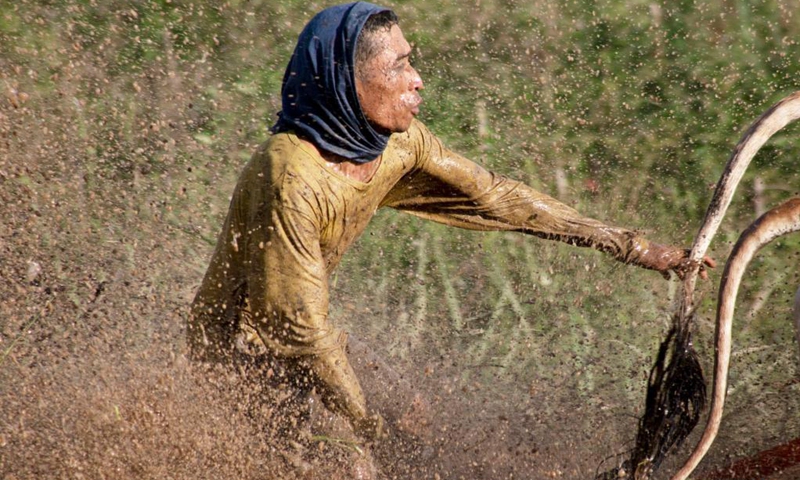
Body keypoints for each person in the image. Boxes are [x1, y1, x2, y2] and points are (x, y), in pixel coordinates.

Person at [188, 1, 714, 444]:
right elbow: (302, 334)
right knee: (333, 456)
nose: (416, 81)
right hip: (239, 359)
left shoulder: (394, 143)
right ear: (349, 82)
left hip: (310, 342)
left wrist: (629, 245)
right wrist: (371, 429)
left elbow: (495, 195)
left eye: (410, 62)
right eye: (397, 68)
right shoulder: (291, 178)